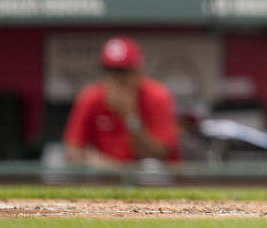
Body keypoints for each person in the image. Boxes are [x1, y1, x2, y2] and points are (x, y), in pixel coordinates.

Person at [63, 36, 180, 165]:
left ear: (137, 72)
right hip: (109, 177)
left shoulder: (157, 96)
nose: (115, 78)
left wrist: (130, 117)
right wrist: (100, 162)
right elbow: (72, 152)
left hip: (153, 179)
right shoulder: (91, 97)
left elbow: (159, 154)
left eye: (122, 71)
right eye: (110, 71)